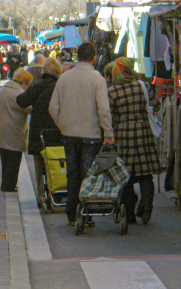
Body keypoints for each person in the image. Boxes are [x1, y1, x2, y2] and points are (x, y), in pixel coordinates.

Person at [49, 43, 114, 226]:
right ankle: (86, 214)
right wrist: (108, 132)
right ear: (94, 58)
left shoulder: (64, 78)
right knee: (87, 175)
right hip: (91, 135)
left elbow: (53, 107)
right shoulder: (97, 79)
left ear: (77, 57)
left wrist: (62, 125)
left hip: (68, 134)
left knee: (72, 173)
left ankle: (71, 214)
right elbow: (104, 109)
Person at [108, 57, 161, 225]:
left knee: (126, 176)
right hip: (143, 131)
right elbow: (156, 106)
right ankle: (146, 205)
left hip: (123, 134)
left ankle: (129, 212)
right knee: (146, 174)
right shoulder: (143, 86)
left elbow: (109, 116)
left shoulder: (112, 92)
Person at [17, 58, 62, 205]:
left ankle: (41, 194)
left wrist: (33, 108)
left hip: (38, 132)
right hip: (57, 131)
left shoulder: (37, 86)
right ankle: (58, 189)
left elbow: (21, 101)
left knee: (39, 164)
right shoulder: (60, 87)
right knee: (57, 161)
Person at [0, 69, 33, 192]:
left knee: (5, 159)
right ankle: (9, 186)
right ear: (24, 83)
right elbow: (29, 109)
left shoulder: (0, 90)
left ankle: (6, 184)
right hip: (14, 130)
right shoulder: (19, 94)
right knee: (14, 160)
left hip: (0, 130)